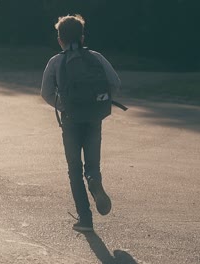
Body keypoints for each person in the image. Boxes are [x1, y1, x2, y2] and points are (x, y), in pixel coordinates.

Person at [41, 14, 121, 232]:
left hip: (70, 121)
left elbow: (46, 92)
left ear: (60, 40)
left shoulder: (56, 61)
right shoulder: (96, 57)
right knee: (92, 165)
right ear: (83, 38)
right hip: (94, 119)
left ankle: (85, 219)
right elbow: (115, 83)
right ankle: (94, 181)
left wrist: (65, 106)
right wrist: (99, 102)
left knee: (74, 169)